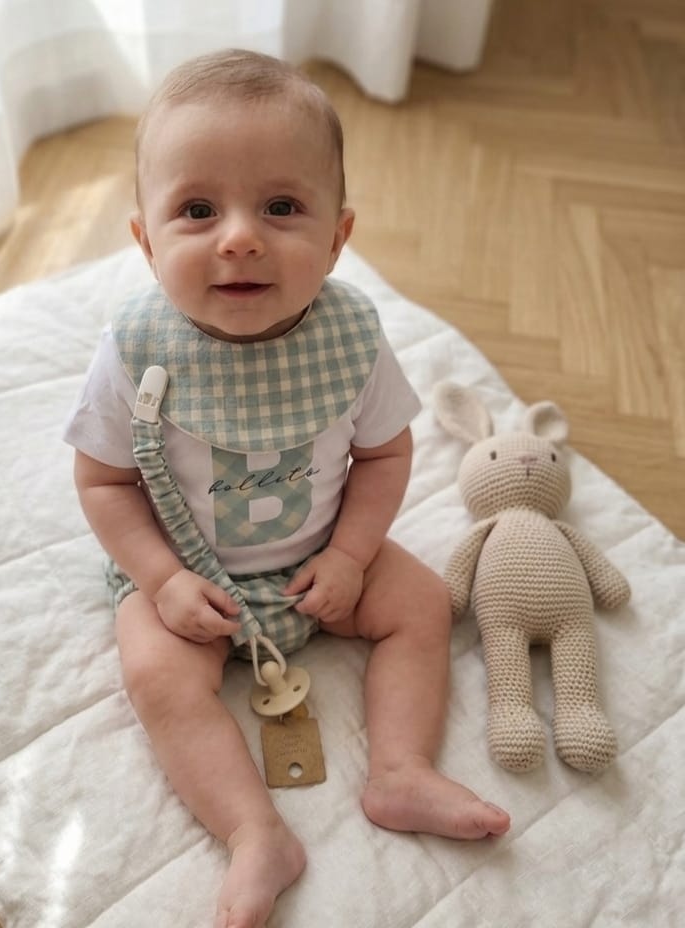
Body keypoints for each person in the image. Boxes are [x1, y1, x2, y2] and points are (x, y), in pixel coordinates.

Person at [64, 48, 510, 928]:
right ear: (147, 242)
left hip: (322, 559)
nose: (240, 237)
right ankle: (254, 833)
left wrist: (351, 556)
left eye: (281, 207)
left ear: (338, 238)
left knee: (422, 603)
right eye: (198, 210)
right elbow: (105, 482)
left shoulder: (350, 341)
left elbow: (382, 457)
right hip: (188, 580)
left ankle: (401, 771)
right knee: (155, 675)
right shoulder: (135, 351)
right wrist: (160, 580)